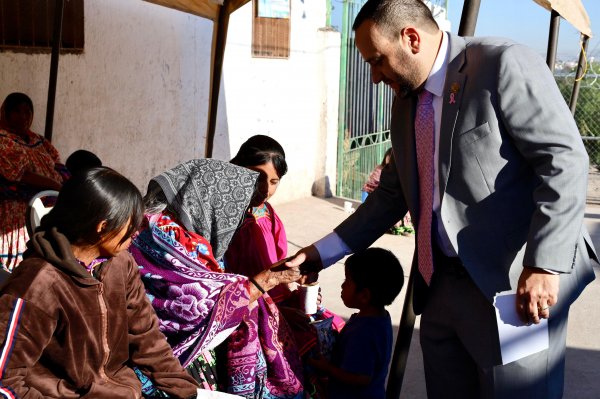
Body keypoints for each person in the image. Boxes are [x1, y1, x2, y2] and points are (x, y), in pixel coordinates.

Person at [287, 1, 597, 398]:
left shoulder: (502, 65)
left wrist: (543, 265)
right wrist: (319, 253)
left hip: (515, 292)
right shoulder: (405, 102)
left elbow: (564, 161)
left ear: (411, 38)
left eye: (378, 60)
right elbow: (390, 196)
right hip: (440, 290)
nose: (375, 76)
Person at [0, 167, 200, 398]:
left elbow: (146, 336)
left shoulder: (120, 264)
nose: (135, 233)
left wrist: (186, 392)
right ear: (102, 228)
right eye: (131, 224)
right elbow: (6, 381)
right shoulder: (38, 282)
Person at [129, 159, 304, 398]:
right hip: (161, 356)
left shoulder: (189, 234)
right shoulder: (163, 232)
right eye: (233, 211)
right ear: (212, 202)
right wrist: (266, 280)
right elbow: (199, 306)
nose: (237, 221)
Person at [309, 248, 403, 399]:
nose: (342, 285)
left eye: (347, 281)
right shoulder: (380, 318)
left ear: (364, 295)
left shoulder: (364, 333)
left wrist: (327, 368)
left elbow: (360, 378)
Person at [0, 92, 68, 271]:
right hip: (17, 208)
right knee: (18, 250)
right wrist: (55, 186)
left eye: (27, 112)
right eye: (17, 111)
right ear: (6, 113)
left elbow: (57, 163)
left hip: (48, 204)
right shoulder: (3, 140)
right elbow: (22, 175)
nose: (23, 116)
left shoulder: (38, 140)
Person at [361, 147, 413, 236]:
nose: (389, 161)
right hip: (373, 192)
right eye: (388, 158)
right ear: (385, 157)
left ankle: (403, 227)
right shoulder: (379, 169)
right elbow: (374, 183)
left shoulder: (398, 172)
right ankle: (392, 227)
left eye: (392, 159)